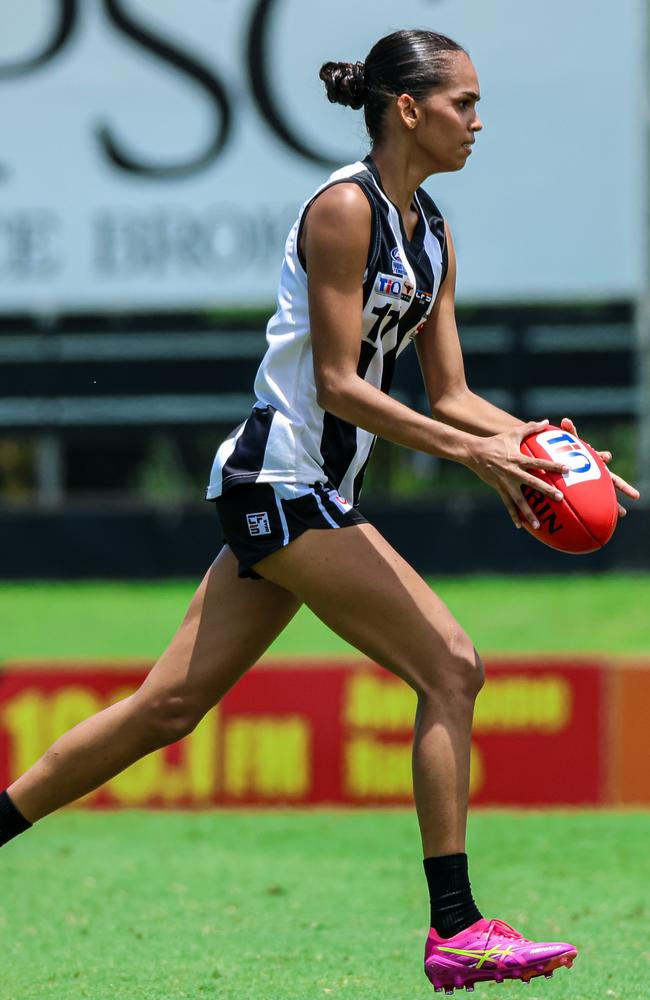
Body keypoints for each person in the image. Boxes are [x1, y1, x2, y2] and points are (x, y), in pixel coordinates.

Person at [0, 28, 639, 995]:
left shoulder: (431, 231)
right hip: (279, 484)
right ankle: (457, 929)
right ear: (409, 110)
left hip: (308, 493)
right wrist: (471, 456)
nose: (477, 121)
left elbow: (454, 392)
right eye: (463, 103)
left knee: (165, 710)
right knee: (453, 666)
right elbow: (339, 385)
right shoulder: (346, 210)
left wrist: (542, 447)